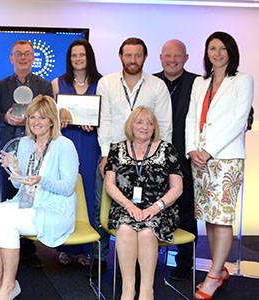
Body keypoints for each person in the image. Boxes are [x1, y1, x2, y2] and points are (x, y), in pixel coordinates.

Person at [0, 95, 78, 300]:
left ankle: (8, 286)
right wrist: (13, 168)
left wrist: (41, 180)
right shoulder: (25, 143)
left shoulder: (64, 145)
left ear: (52, 120)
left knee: (7, 223)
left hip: (54, 208)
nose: (35, 122)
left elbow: (68, 188)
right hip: (26, 203)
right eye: (32, 117)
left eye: (41, 118)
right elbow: (19, 184)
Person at [94, 37, 172, 275]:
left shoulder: (157, 85)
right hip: (117, 158)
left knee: (145, 208)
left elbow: (165, 125)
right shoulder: (106, 83)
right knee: (105, 206)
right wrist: (106, 156)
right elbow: (104, 121)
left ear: (145, 57)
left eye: (138, 55)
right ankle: (101, 258)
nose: (133, 60)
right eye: (128, 55)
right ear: (121, 57)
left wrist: (160, 160)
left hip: (149, 159)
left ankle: (143, 264)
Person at [186, 31, 254, 300]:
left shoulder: (242, 80)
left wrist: (209, 150)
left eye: (222, 48)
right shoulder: (200, 83)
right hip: (199, 158)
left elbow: (239, 121)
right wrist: (192, 148)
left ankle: (213, 276)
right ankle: (219, 267)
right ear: (206, 53)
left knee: (222, 216)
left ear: (231, 52)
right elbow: (192, 116)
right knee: (209, 217)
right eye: (212, 48)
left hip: (225, 158)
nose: (217, 53)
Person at [104, 106, 182, 300]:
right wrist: (129, 206)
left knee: (147, 233)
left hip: (160, 209)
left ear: (155, 127)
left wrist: (154, 208)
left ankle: (147, 291)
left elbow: (177, 188)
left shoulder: (167, 149)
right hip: (125, 207)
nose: (145, 127)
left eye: (150, 123)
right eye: (139, 122)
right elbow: (109, 185)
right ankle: (128, 290)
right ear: (131, 125)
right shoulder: (116, 148)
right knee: (125, 229)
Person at [0, 39, 53, 268]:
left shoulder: (44, 86)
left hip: (35, 149)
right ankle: (8, 246)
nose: (22, 57)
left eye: (27, 54)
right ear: (11, 58)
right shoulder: (0, 86)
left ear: (33, 58)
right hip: (8, 147)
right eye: (18, 54)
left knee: (31, 196)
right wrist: (5, 118)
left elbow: (49, 115)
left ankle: (28, 250)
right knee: (8, 195)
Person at [51, 39, 102, 267]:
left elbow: (106, 116)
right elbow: (51, 117)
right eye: (74, 56)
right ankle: (65, 246)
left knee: (88, 192)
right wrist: (58, 121)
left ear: (89, 57)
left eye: (82, 55)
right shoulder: (57, 83)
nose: (78, 59)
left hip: (91, 143)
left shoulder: (102, 83)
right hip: (65, 142)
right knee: (66, 191)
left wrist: (95, 124)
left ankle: (86, 248)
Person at [153, 39, 199, 281]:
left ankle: (184, 264)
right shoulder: (150, 81)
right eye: (167, 56)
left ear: (186, 57)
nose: (172, 60)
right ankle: (149, 260)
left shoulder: (199, 83)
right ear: (160, 57)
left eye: (177, 56)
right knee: (151, 209)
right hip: (152, 160)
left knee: (186, 213)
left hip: (185, 159)